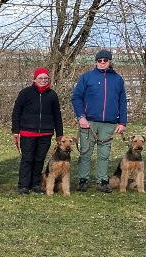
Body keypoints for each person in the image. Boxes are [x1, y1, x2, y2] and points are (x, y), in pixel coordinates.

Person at [71, 49, 127, 193]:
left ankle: (102, 180)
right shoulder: (87, 77)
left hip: (108, 123)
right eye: (99, 61)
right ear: (96, 62)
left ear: (110, 61)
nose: (102, 63)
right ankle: (83, 180)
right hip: (89, 122)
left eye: (105, 60)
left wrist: (122, 122)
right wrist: (81, 117)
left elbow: (122, 101)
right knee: (85, 152)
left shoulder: (117, 79)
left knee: (104, 154)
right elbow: (76, 97)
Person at [12, 67, 64, 194]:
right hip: (27, 132)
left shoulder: (52, 95)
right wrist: (15, 129)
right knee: (27, 158)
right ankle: (23, 185)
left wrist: (60, 134)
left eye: (46, 78)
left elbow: (57, 116)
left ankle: (35, 183)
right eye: (41, 78)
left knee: (39, 159)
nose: (43, 80)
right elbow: (16, 112)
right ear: (35, 79)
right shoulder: (25, 93)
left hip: (46, 133)